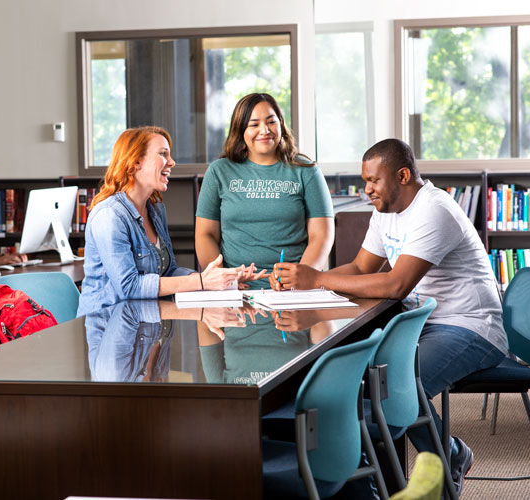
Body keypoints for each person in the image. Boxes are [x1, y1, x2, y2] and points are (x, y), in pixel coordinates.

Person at [270, 138, 508, 495]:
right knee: (370, 379)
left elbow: (396, 285)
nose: (366, 190)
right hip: (422, 322)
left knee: (394, 386)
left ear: (403, 175)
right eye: (364, 181)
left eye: (373, 181)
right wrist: (303, 282)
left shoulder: (434, 210)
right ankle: (424, 462)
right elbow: (361, 267)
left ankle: (445, 458)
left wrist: (317, 279)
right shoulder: (384, 212)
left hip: (470, 326)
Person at [77, 126, 265, 317]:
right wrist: (202, 282)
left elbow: (169, 272)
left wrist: (222, 280)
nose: (172, 162)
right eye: (163, 154)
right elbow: (129, 286)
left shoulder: (156, 211)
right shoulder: (109, 216)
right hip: (108, 326)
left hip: (145, 324)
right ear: (135, 162)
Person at [195, 93, 334, 287]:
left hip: (293, 290)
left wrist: (300, 279)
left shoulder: (306, 170)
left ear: (281, 124)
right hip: (234, 289)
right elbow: (205, 234)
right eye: (254, 124)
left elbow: (322, 235)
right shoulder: (219, 171)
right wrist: (222, 279)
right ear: (240, 129)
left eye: (271, 122)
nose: (264, 130)